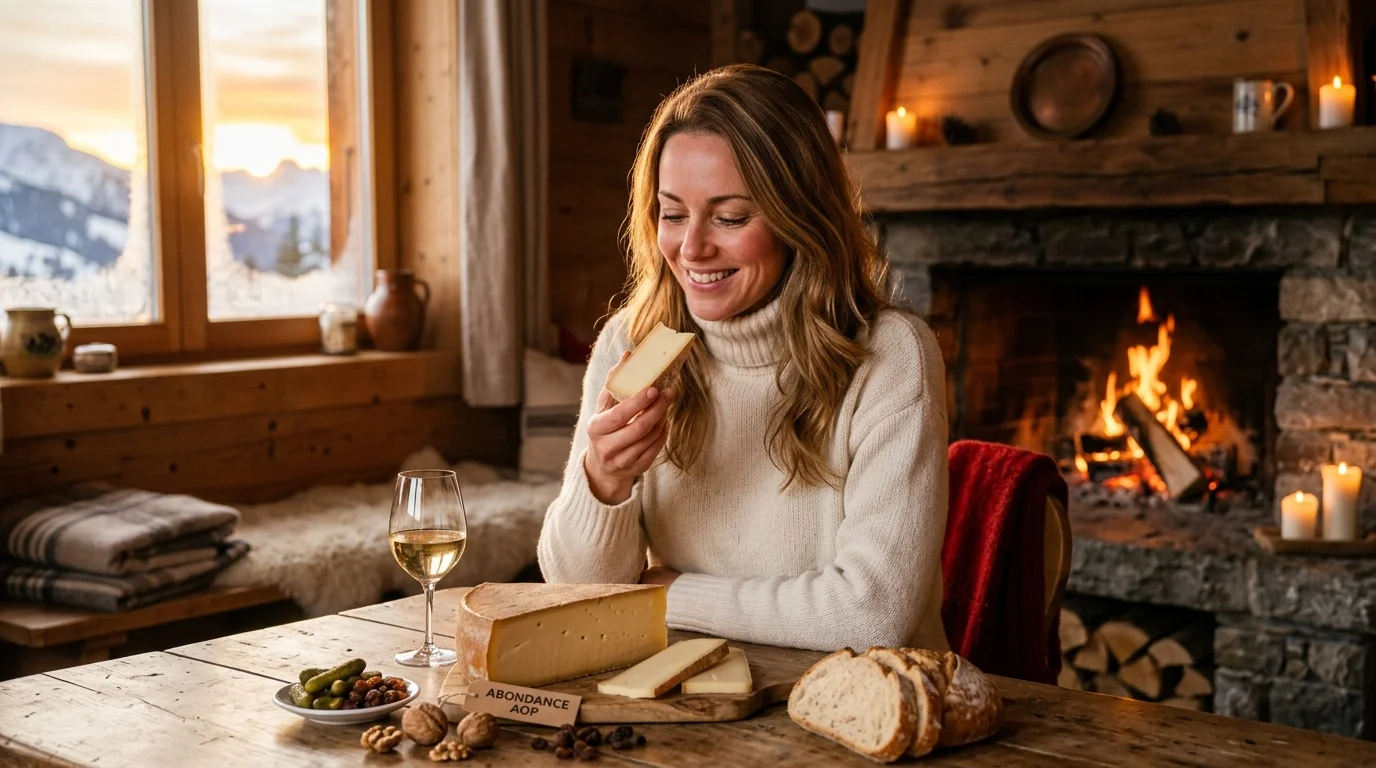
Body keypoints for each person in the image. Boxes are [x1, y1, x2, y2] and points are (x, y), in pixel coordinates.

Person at [537, 64, 949, 653]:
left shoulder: (889, 356)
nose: (692, 248)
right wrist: (603, 481)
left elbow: (870, 615)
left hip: (856, 695)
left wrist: (666, 595)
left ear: (800, 217)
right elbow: (576, 590)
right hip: (688, 688)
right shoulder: (632, 342)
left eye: (730, 217)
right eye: (672, 214)